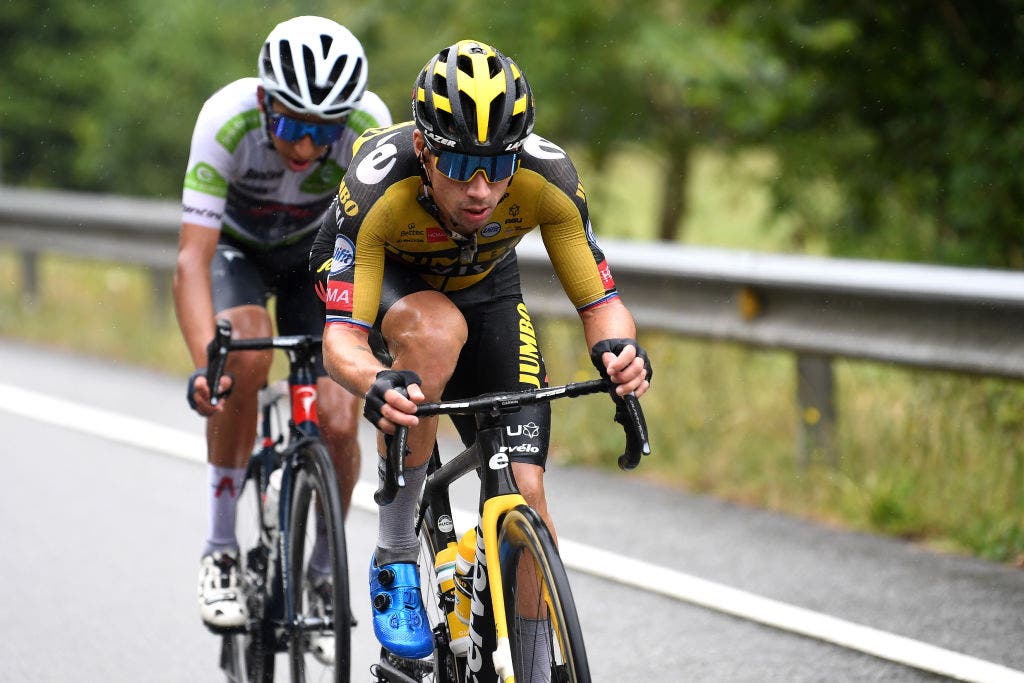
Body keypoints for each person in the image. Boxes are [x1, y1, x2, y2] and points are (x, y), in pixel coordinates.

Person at [309, 39, 652, 659]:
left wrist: (620, 352)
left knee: (528, 492)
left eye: (498, 166)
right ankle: (395, 556)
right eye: (462, 165)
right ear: (423, 149)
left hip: (487, 289)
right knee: (436, 332)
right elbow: (342, 343)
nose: (481, 188)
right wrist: (375, 381)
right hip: (388, 281)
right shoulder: (377, 186)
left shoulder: (549, 178)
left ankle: (532, 658)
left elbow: (601, 304)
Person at [174, 15, 392, 639]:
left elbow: (382, 248)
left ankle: (326, 566)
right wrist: (205, 365)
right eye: (293, 126)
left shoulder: (368, 127)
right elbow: (192, 258)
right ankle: (220, 549)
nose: (303, 148)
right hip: (234, 254)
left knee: (339, 416)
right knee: (241, 354)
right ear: (266, 101)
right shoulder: (227, 118)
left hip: (316, 258)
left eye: (321, 132)